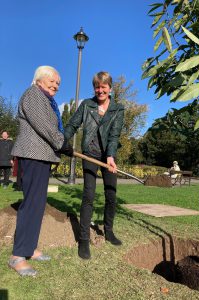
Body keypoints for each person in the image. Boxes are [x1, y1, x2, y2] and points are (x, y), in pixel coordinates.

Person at [8, 66, 73, 276]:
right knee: (32, 203)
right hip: (33, 155)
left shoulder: (46, 99)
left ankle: (30, 248)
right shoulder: (33, 94)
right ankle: (18, 256)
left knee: (38, 203)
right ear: (39, 80)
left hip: (42, 156)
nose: (55, 85)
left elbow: (49, 127)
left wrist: (62, 145)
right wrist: (62, 142)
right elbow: (44, 125)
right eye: (52, 81)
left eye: (58, 83)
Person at [64, 71, 124, 259]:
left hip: (108, 157)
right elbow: (73, 125)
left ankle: (109, 230)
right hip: (89, 154)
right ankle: (83, 239)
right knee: (88, 195)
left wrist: (111, 156)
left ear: (110, 88)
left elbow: (114, 135)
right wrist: (61, 140)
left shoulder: (117, 109)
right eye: (97, 87)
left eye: (103, 87)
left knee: (111, 195)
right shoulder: (86, 105)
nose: (99, 90)